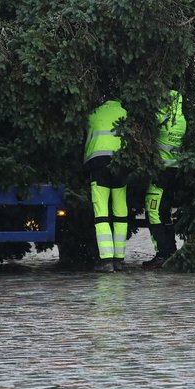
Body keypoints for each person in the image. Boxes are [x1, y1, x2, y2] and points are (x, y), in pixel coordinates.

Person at [143, 90, 187, 269]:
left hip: (159, 172)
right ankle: (171, 250)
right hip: (174, 171)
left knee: (153, 212)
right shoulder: (181, 121)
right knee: (165, 212)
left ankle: (162, 253)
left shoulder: (159, 119)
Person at [84, 99, 129, 272]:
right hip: (121, 166)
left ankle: (106, 260)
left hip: (98, 165)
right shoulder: (126, 113)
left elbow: (88, 140)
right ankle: (119, 259)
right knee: (120, 212)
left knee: (101, 212)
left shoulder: (93, 114)